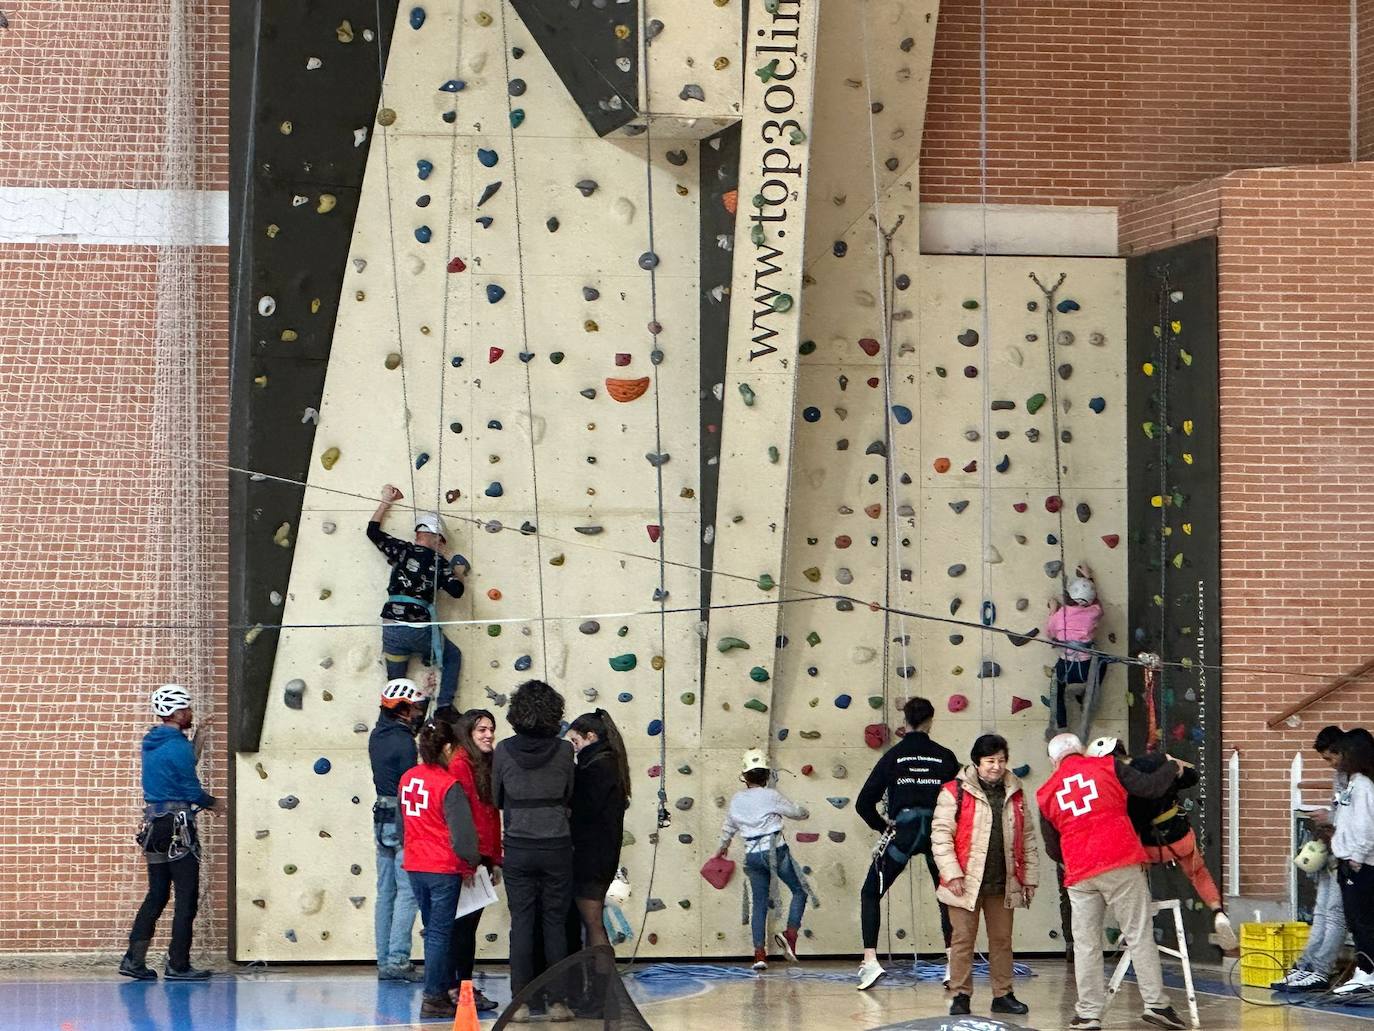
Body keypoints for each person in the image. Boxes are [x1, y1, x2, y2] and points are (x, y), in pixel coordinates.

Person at [1037, 732, 1189, 1031]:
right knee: (1138, 933)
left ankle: (1088, 1014)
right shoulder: (1108, 767)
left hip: (1079, 872)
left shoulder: (1045, 792)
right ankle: (1156, 1004)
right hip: (1120, 860)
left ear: (1053, 761)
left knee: (1086, 944)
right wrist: (1171, 766)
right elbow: (1151, 788)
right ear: (1081, 750)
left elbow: (1052, 847)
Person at [1087, 736, 1238, 951]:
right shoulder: (1157, 762)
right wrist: (1174, 767)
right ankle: (1218, 912)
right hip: (1180, 837)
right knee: (1198, 873)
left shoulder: (1120, 785)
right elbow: (1191, 778)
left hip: (1149, 848)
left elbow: (1130, 824)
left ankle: (1133, 925)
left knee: (1131, 876)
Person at [854, 696, 961, 990]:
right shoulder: (945, 756)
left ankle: (871, 962)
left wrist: (884, 827)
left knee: (870, 892)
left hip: (904, 829)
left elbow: (863, 803)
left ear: (905, 722)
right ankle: (954, 964)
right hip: (939, 831)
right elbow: (962, 798)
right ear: (930, 721)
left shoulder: (893, 756)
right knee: (947, 896)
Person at [932, 734, 1039, 1017]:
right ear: (977, 762)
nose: (996, 766)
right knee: (962, 940)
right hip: (964, 882)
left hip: (1002, 881)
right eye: (990, 761)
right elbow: (941, 836)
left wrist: (1029, 876)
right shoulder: (953, 790)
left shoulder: (1015, 790)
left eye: (1001, 760)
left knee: (1002, 940)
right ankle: (960, 994)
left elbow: (1027, 836)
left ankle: (1003, 994)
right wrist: (952, 873)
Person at [119, 684, 220, 981]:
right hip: (178, 827)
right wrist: (216, 804)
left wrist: (199, 736)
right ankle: (178, 964)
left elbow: (182, 764)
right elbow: (191, 788)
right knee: (186, 896)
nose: (190, 713)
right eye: (187, 708)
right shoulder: (176, 745)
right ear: (176, 711)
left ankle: (133, 960)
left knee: (158, 894)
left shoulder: (152, 741)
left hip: (154, 826)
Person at [492, 679, 576, 1023]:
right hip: (557, 844)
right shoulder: (565, 751)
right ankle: (558, 1003)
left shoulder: (502, 750)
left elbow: (496, 797)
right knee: (555, 922)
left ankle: (521, 1004)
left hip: (518, 845)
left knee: (522, 923)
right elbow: (570, 793)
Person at [399, 719, 480, 1020]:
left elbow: (400, 823)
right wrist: (471, 861)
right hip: (442, 868)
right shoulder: (449, 784)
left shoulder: (408, 778)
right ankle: (434, 996)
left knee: (433, 929)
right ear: (447, 748)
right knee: (439, 934)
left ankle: (440, 989)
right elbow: (462, 836)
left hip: (415, 865)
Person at [368, 484, 466, 711]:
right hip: (419, 629)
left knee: (395, 688)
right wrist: (459, 572)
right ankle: (444, 706)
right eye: (442, 542)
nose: (442, 547)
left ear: (418, 534)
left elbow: (372, 531)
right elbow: (456, 592)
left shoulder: (401, 550)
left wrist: (386, 501)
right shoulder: (440, 562)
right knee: (452, 656)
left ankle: (393, 714)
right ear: (436, 537)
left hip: (391, 628)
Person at [716, 748, 813, 971]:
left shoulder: (737, 799)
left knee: (758, 903)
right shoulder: (771, 795)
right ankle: (790, 935)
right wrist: (805, 812)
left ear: (745, 776)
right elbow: (796, 812)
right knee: (799, 890)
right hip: (775, 851)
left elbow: (728, 829)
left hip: (752, 856)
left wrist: (720, 850)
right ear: (766, 775)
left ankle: (759, 955)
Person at [1275, 726, 1350, 990]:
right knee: (1320, 912)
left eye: (1331, 758)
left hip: (1349, 853)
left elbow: (1357, 818)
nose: (1331, 765)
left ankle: (1322, 968)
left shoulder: (1361, 780)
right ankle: (1307, 964)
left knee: (1335, 913)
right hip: (1333, 848)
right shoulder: (1342, 777)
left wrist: (1330, 818)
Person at [446, 708, 503, 1013]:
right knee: (462, 930)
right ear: (468, 733)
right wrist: (469, 862)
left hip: (480, 856)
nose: (489, 734)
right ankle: (459, 988)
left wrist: (494, 858)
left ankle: (461, 986)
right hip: (467, 858)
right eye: (481, 729)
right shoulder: (460, 764)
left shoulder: (483, 763)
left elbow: (490, 816)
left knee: (467, 928)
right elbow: (463, 819)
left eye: (491, 729)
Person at [369, 678, 425, 982]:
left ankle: (384, 961)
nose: (418, 712)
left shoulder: (377, 736)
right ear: (403, 710)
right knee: (408, 892)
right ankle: (399, 960)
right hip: (402, 816)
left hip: (381, 815)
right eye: (414, 707)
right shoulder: (405, 743)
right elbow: (409, 785)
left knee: (385, 891)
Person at [566, 709, 631, 951]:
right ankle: (599, 976)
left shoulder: (597, 767)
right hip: (602, 856)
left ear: (591, 737)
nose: (573, 748)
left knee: (592, 922)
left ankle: (603, 979)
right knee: (593, 921)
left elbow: (585, 810)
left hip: (591, 858)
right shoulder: (610, 763)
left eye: (575, 741)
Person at [1331, 730, 1374, 997]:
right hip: (1348, 860)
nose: (1339, 759)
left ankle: (1367, 971)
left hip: (1360, 864)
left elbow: (1367, 827)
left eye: (1344, 753)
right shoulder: (1353, 783)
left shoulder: (1365, 787)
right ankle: (1365, 969)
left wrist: (1357, 857)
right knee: (1356, 921)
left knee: (1363, 921)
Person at [1045, 564, 1104, 734]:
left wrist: (1053, 609)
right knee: (1103, 663)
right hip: (1086, 668)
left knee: (1057, 689)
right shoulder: (1094, 612)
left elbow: (1050, 633)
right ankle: (1085, 695)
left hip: (1066, 666)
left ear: (1069, 596)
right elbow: (1098, 604)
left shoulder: (1060, 615)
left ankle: (1061, 724)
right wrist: (1089, 577)